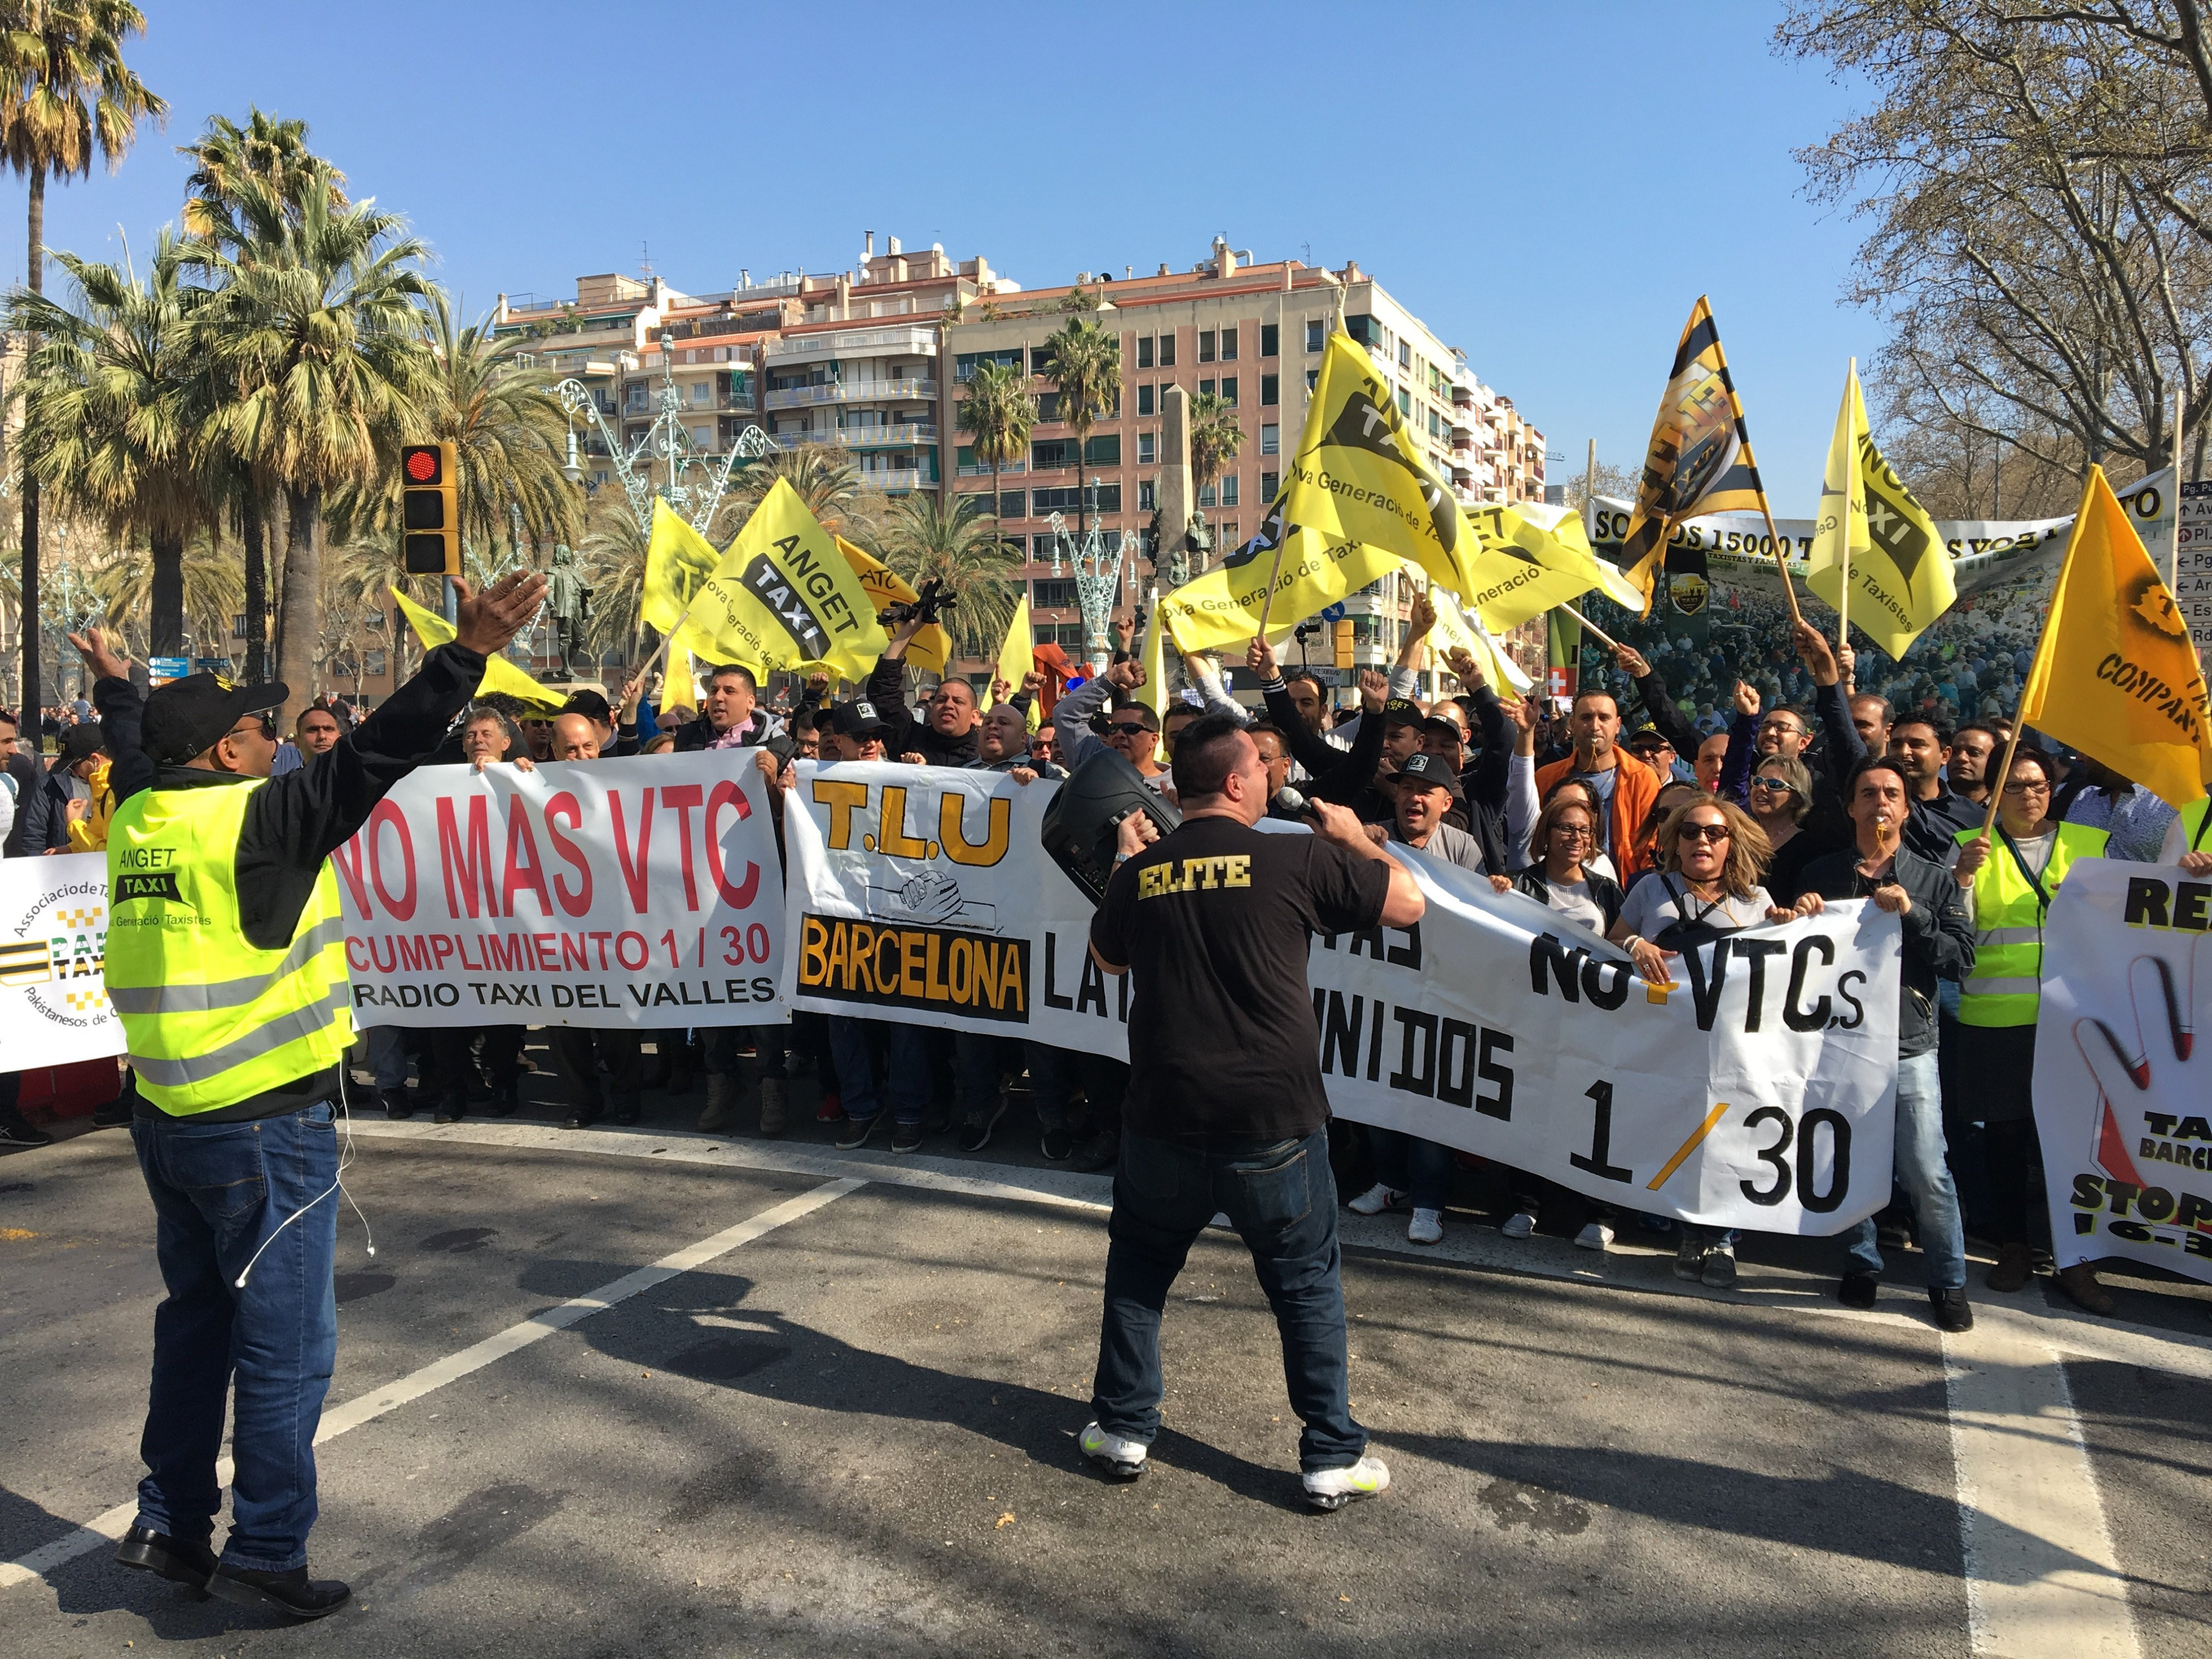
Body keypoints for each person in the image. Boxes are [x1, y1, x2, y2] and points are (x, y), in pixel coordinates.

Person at [78, 572, 542, 1618]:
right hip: (262, 1127)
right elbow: (379, 752)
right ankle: (268, 1550)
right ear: (228, 754)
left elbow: (137, 743)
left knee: (194, 1327)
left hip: (166, 1119)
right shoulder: (262, 820)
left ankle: (170, 1526)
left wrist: (116, 688)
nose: (274, 735)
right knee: (284, 1351)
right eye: (257, 725)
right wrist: (463, 657)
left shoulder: (142, 813)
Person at [1083, 713, 1422, 1510]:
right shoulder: (1296, 853)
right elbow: (1407, 904)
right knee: (1305, 1285)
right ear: (1238, 782)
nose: (1271, 777)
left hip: (1163, 1116)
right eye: (1261, 768)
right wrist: (1354, 838)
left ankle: (1125, 1429)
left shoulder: (1144, 870)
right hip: (1273, 1119)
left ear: (1178, 786)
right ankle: (1332, 1455)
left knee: (1138, 1272)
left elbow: (1108, 956)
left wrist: (1131, 867)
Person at [1787, 759, 1974, 1331]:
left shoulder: (1934, 879)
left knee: (1924, 1168)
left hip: (1908, 1044)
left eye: (1891, 793)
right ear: (1850, 808)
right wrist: (1797, 919)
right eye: (1867, 793)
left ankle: (1947, 1280)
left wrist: (1913, 915)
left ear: (1907, 808)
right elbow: (1793, 957)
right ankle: (1861, 1262)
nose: (1880, 803)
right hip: (1838, 1043)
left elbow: (1960, 961)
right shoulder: (1820, 873)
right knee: (1848, 1162)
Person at [1949, 749, 2115, 1314]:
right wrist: (1964, 877)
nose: (2029, 796)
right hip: (1997, 1023)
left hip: (2072, 1023)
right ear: (1994, 792)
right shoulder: (1970, 849)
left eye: (2039, 785)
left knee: (2069, 1145)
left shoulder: (2089, 847)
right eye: (2015, 787)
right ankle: (2014, 1248)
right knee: (2005, 1141)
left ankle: (2075, 1260)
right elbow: (1958, 934)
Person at [1609, 796, 1774, 1282]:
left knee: (1727, 1139)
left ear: (1732, 843)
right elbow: (1613, 940)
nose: (1702, 840)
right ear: (1674, 841)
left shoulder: (1758, 901)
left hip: (1729, 1046)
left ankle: (1721, 1241)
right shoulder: (1648, 890)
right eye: (1691, 832)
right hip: (1666, 1042)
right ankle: (1688, 1230)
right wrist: (1635, 943)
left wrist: (1795, 920)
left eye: (1715, 833)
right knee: (1679, 1134)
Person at [1533, 689, 1662, 878]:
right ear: (1572, 724)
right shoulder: (1547, 777)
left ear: (1618, 725)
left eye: (1604, 718)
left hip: (1623, 892)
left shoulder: (1642, 778)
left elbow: (1651, 845)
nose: (1595, 726)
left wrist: (1638, 893)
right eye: (1586, 718)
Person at [870, 614, 983, 766]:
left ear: (974, 716)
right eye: (941, 700)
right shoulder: (910, 739)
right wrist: (906, 633)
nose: (948, 705)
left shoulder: (985, 753)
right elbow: (883, 694)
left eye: (958, 701)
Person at [1373, 750, 1486, 874]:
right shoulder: (1373, 837)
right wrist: (1359, 842)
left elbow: (1480, 891)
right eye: (1407, 788)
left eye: (1426, 791)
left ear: (1446, 804)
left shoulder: (1462, 846)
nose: (1414, 797)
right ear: (1397, 795)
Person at [1748, 755, 1833, 905]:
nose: (1761, 788)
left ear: (1796, 799)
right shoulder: (1740, 841)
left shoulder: (1812, 850)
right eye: (1758, 781)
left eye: (1774, 784)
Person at [2061, 755, 2176, 863]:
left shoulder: (2168, 806)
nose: (2079, 758)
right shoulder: (2084, 798)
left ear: (2118, 754)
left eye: (2089, 751)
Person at [269, 706, 342, 778]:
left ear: (340, 737)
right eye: (313, 730)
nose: (322, 736)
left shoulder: (352, 780)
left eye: (328, 729)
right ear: (297, 742)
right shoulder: (284, 787)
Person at [1947, 722, 1999, 807]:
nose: (1961, 758)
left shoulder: (2009, 810)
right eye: (1955, 752)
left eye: (1974, 753)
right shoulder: (1927, 806)